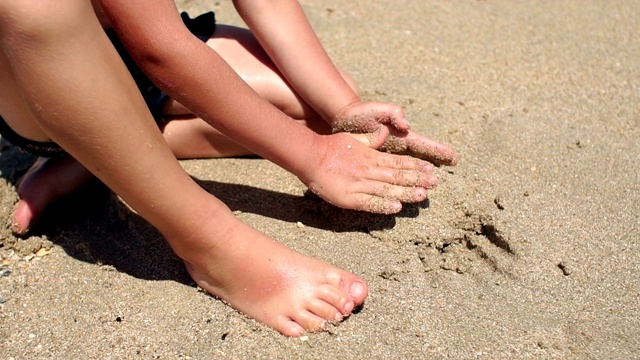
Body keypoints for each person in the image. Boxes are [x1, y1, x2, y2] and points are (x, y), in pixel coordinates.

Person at [0, 0, 458, 336]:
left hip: (129, 45)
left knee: (309, 107)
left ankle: (98, 154)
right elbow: (159, 52)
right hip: (40, 73)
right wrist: (315, 157)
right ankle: (208, 240)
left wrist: (343, 107)